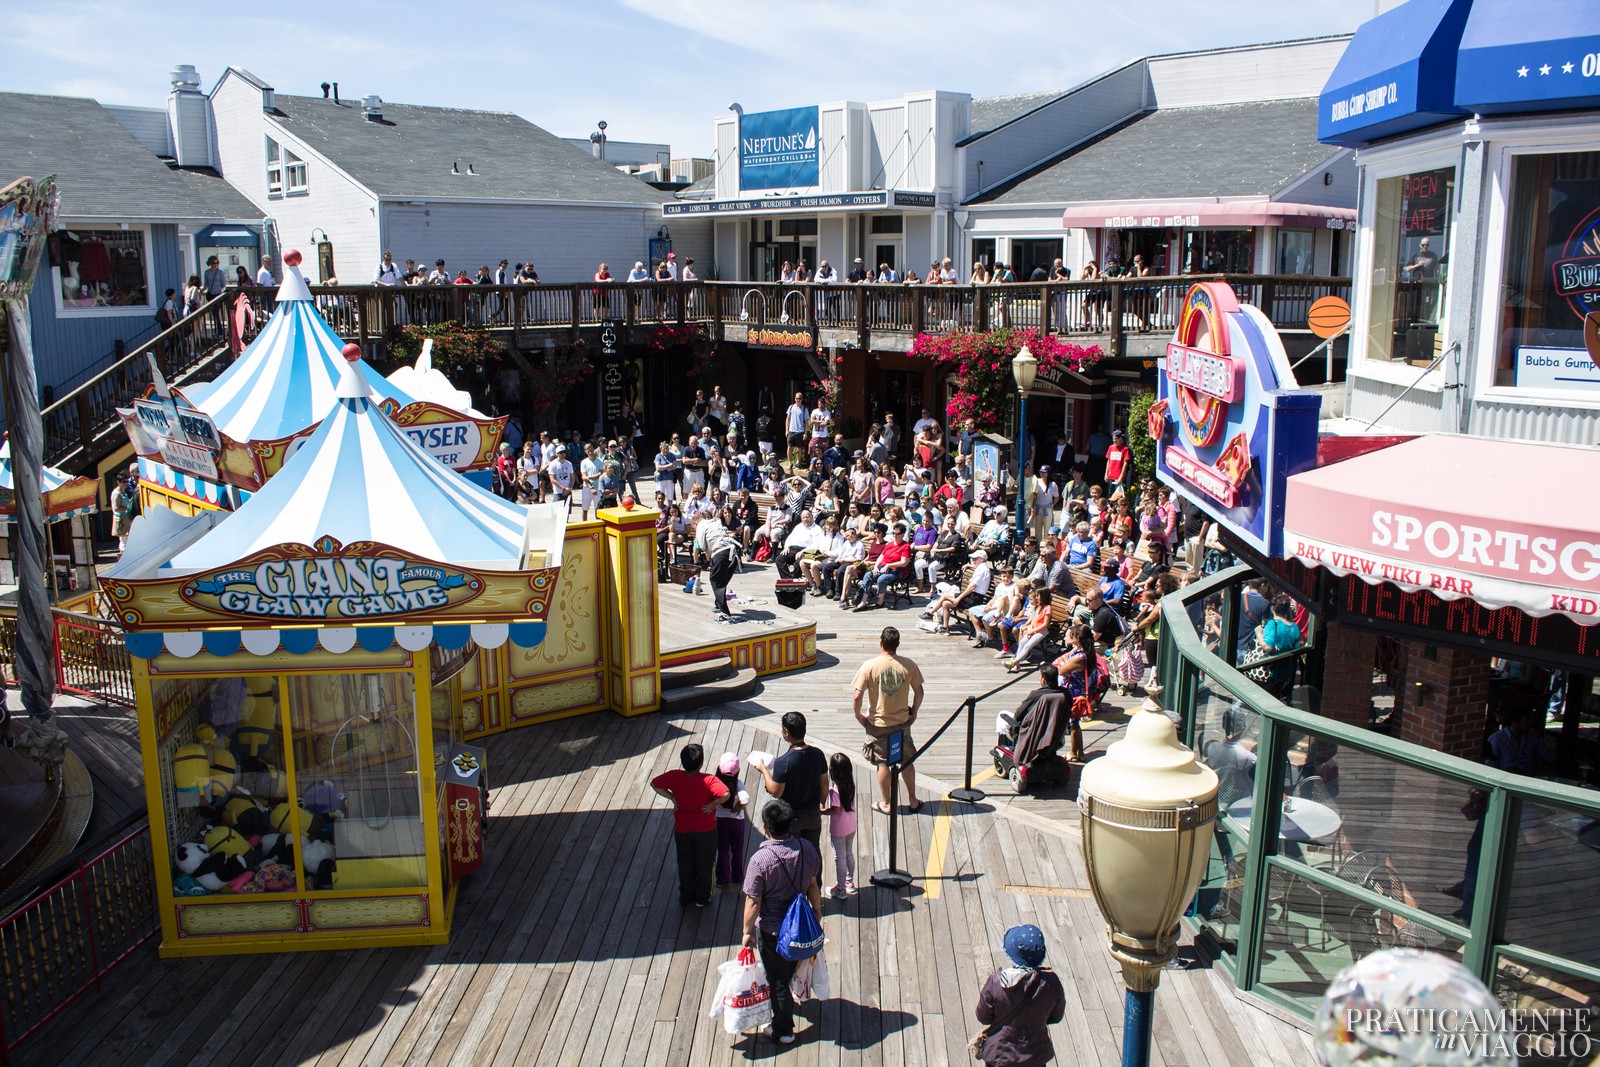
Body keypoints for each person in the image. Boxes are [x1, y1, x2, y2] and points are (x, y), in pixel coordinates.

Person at [741, 799, 823, 1046]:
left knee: (777, 980)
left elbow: (753, 901)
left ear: (766, 827)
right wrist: (817, 911)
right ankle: (789, 999)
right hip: (800, 926)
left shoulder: (760, 860)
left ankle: (783, 1028)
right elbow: (812, 884)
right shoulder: (806, 849)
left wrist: (746, 932)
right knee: (787, 971)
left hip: (773, 930)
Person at [852, 626, 925, 813]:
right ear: (897, 644)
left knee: (883, 762)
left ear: (881, 643)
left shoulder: (869, 666)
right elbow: (919, 692)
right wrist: (914, 712)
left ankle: (886, 803)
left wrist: (859, 715)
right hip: (901, 722)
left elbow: (857, 696)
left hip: (878, 723)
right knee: (907, 761)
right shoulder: (908, 665)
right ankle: (913, 800)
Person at [973, 924, 1066, 1067]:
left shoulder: (997, 982)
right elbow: (1056, 1016)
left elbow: (983, 1016)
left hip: (1000, 1056)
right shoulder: (1052, 982)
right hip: (1035, 1056)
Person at [649, 743, 729, 908]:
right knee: (705, 863)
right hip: (706, 831)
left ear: (682, 761)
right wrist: (714, 804)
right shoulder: (709, 780)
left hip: (683, 830)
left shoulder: (674, 776)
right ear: (701, 763)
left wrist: (672, 797)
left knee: (685, 863)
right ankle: (702, 898)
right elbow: (726, 794)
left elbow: (654, 784)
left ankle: (686, 896)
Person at [759, 712, 829, 851]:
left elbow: (775, 791)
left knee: (792, 853)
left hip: (791, 819)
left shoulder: (783, 762)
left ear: (786, 732)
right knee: (813, 851)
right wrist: (822, 801)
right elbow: (824, 783)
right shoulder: (818, 754)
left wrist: (764, 770)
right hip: (812, 815)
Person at [713, 753, 750, 895]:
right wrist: (739, 806)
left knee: (722, 850)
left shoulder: (716, 783)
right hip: (737, 822)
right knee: (738, 850)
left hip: (721, 822)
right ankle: (738, 876)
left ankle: (722, 880)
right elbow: (745, 798)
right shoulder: (738, 784)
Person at [823, 752, 858, 898]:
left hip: (839, 829)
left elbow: (835, 809)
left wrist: (822, 811)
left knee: (840, 857)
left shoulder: (834, 789)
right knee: (849, 853)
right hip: (851, 825)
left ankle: (841, 889)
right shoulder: (850, 783)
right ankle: (850, 882)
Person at [111, 463, 140, 553]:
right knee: (124, 540)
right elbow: (116, 508)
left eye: (127, 481)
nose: (126, 483)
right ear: (118, 482)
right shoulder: (116, 494)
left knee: (128, 539)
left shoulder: (123, 491)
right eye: (124, 482)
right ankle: (123, 555)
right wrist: (128, 508)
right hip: (121, 519)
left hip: (126, 518)